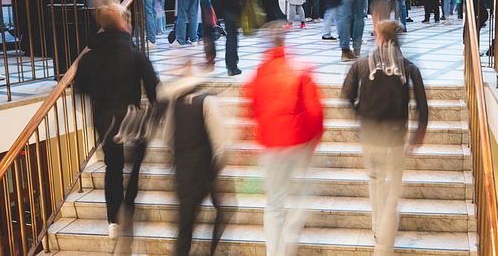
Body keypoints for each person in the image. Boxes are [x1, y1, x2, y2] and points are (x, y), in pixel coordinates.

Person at [341, 20, 428, 256]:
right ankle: (383, 247)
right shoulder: (408, 67)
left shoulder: (362, 65)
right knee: (391, 195)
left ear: (380, 38)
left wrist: (361, 116)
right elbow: (422, 106)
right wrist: (417, 137)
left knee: (376, 186)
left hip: (370, 135)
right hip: (395, 138)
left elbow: (346, 94)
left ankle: (378, 232)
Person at [75, 2, 159, 241]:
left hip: (105, 119)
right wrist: (156, 114)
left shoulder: (88, 58)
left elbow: (80, 90)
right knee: (138, 157)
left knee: (113, 167)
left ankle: (113, 220)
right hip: (132, 118)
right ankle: (129, 204)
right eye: (128, 21)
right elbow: (154, 91)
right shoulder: (135, 54)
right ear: (123, 24)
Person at [242, 22, 324, 256]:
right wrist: (313, 141)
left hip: (271, 144)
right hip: (298, 142)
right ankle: (288, 242)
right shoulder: (300, 69)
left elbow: (251, 106)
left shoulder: (259, 72)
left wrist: (251, 138)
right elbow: (315, 110)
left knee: (274, 203)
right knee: (304, 195)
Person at [157, 70, 229, 256]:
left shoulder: (175, 104)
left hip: (183, 172)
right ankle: (211, 250)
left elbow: (167, 138)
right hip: (204, 170)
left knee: (185, 224)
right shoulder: (207, 102)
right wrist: (216, 166)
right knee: (222, 210)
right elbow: (220, 143)